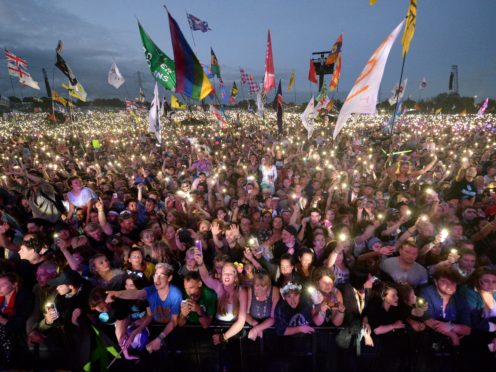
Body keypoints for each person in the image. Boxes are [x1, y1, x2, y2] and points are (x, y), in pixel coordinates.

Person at [106, 263, 182, 353]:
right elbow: (137, 293)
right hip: (154, 325)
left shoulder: (175, 295)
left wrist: (159, 339)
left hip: (170, 329)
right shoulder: (151, 289)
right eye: (156, 275)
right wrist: (117, 294)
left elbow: (173, 321)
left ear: (169, 278)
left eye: (161, 276)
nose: (157, 279)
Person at [0, 272, 33, 369]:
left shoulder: (25, 297)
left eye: (3, 285)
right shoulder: (1, 297)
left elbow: (17, 324)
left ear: (14, 284)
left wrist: (1, 319)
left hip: (15, 335)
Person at [245, 270, 280, 340]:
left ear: (268, 285)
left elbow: (273, 318)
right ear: (253, 284)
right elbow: (246, 314)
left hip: (269, 329)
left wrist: (257, 329)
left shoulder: (274, 291)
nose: (260, 289)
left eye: (263, 286)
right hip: (252, 326)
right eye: (257, 286)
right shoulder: (250, 290)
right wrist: (254, 324)